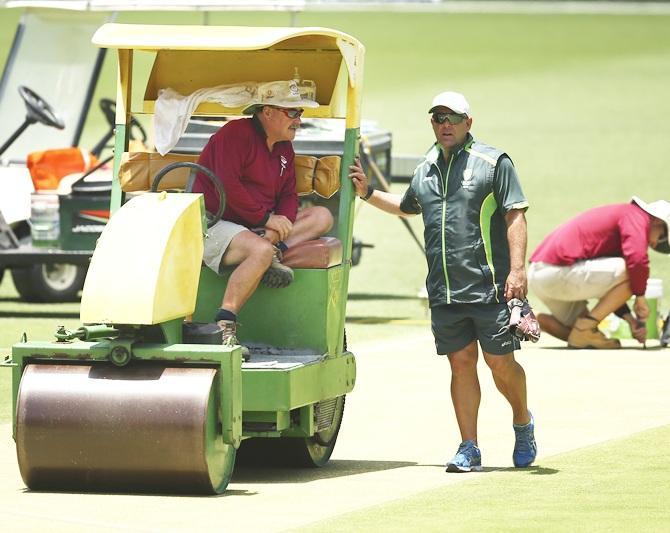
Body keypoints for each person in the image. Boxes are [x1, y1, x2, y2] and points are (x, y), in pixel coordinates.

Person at [349, 91, 536, 472]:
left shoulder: (493, 162)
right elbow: (406, 207)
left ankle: (522, 421)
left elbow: (515, 215)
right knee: (461, 364)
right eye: (437, 118)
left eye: (452, 117)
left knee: (500, 364)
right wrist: (366, 192)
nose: (444, 124)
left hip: (490, 287)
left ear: (469, 122)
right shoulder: (426, 168)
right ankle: (469, 447)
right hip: (445, 291)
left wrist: (518, 271)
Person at [193, 80, 334, 351]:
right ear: (267, 112)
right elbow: (227, 186)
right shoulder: (235, 134)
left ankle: (272, 250)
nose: (298, 121)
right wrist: (266, 220)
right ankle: (224, 323)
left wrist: (277, 224)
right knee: (259, 251)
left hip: (256, 226)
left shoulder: (283, 147)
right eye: (292, 113)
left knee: (322, 217)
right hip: (214, 221)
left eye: (300, 114)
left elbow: (289, 195)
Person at [528, 197, 670, 349]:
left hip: (541, 274)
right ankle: (585, 327)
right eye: (662, 237)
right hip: (555, 271)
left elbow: (612, 287)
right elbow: (637, 262)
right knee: (632, 271)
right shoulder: (636, 216)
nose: (655, 244)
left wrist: (631, 320)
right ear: (656, 220)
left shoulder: (626, 216)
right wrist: (640, 298)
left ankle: (531, 319)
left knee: (578, 335)